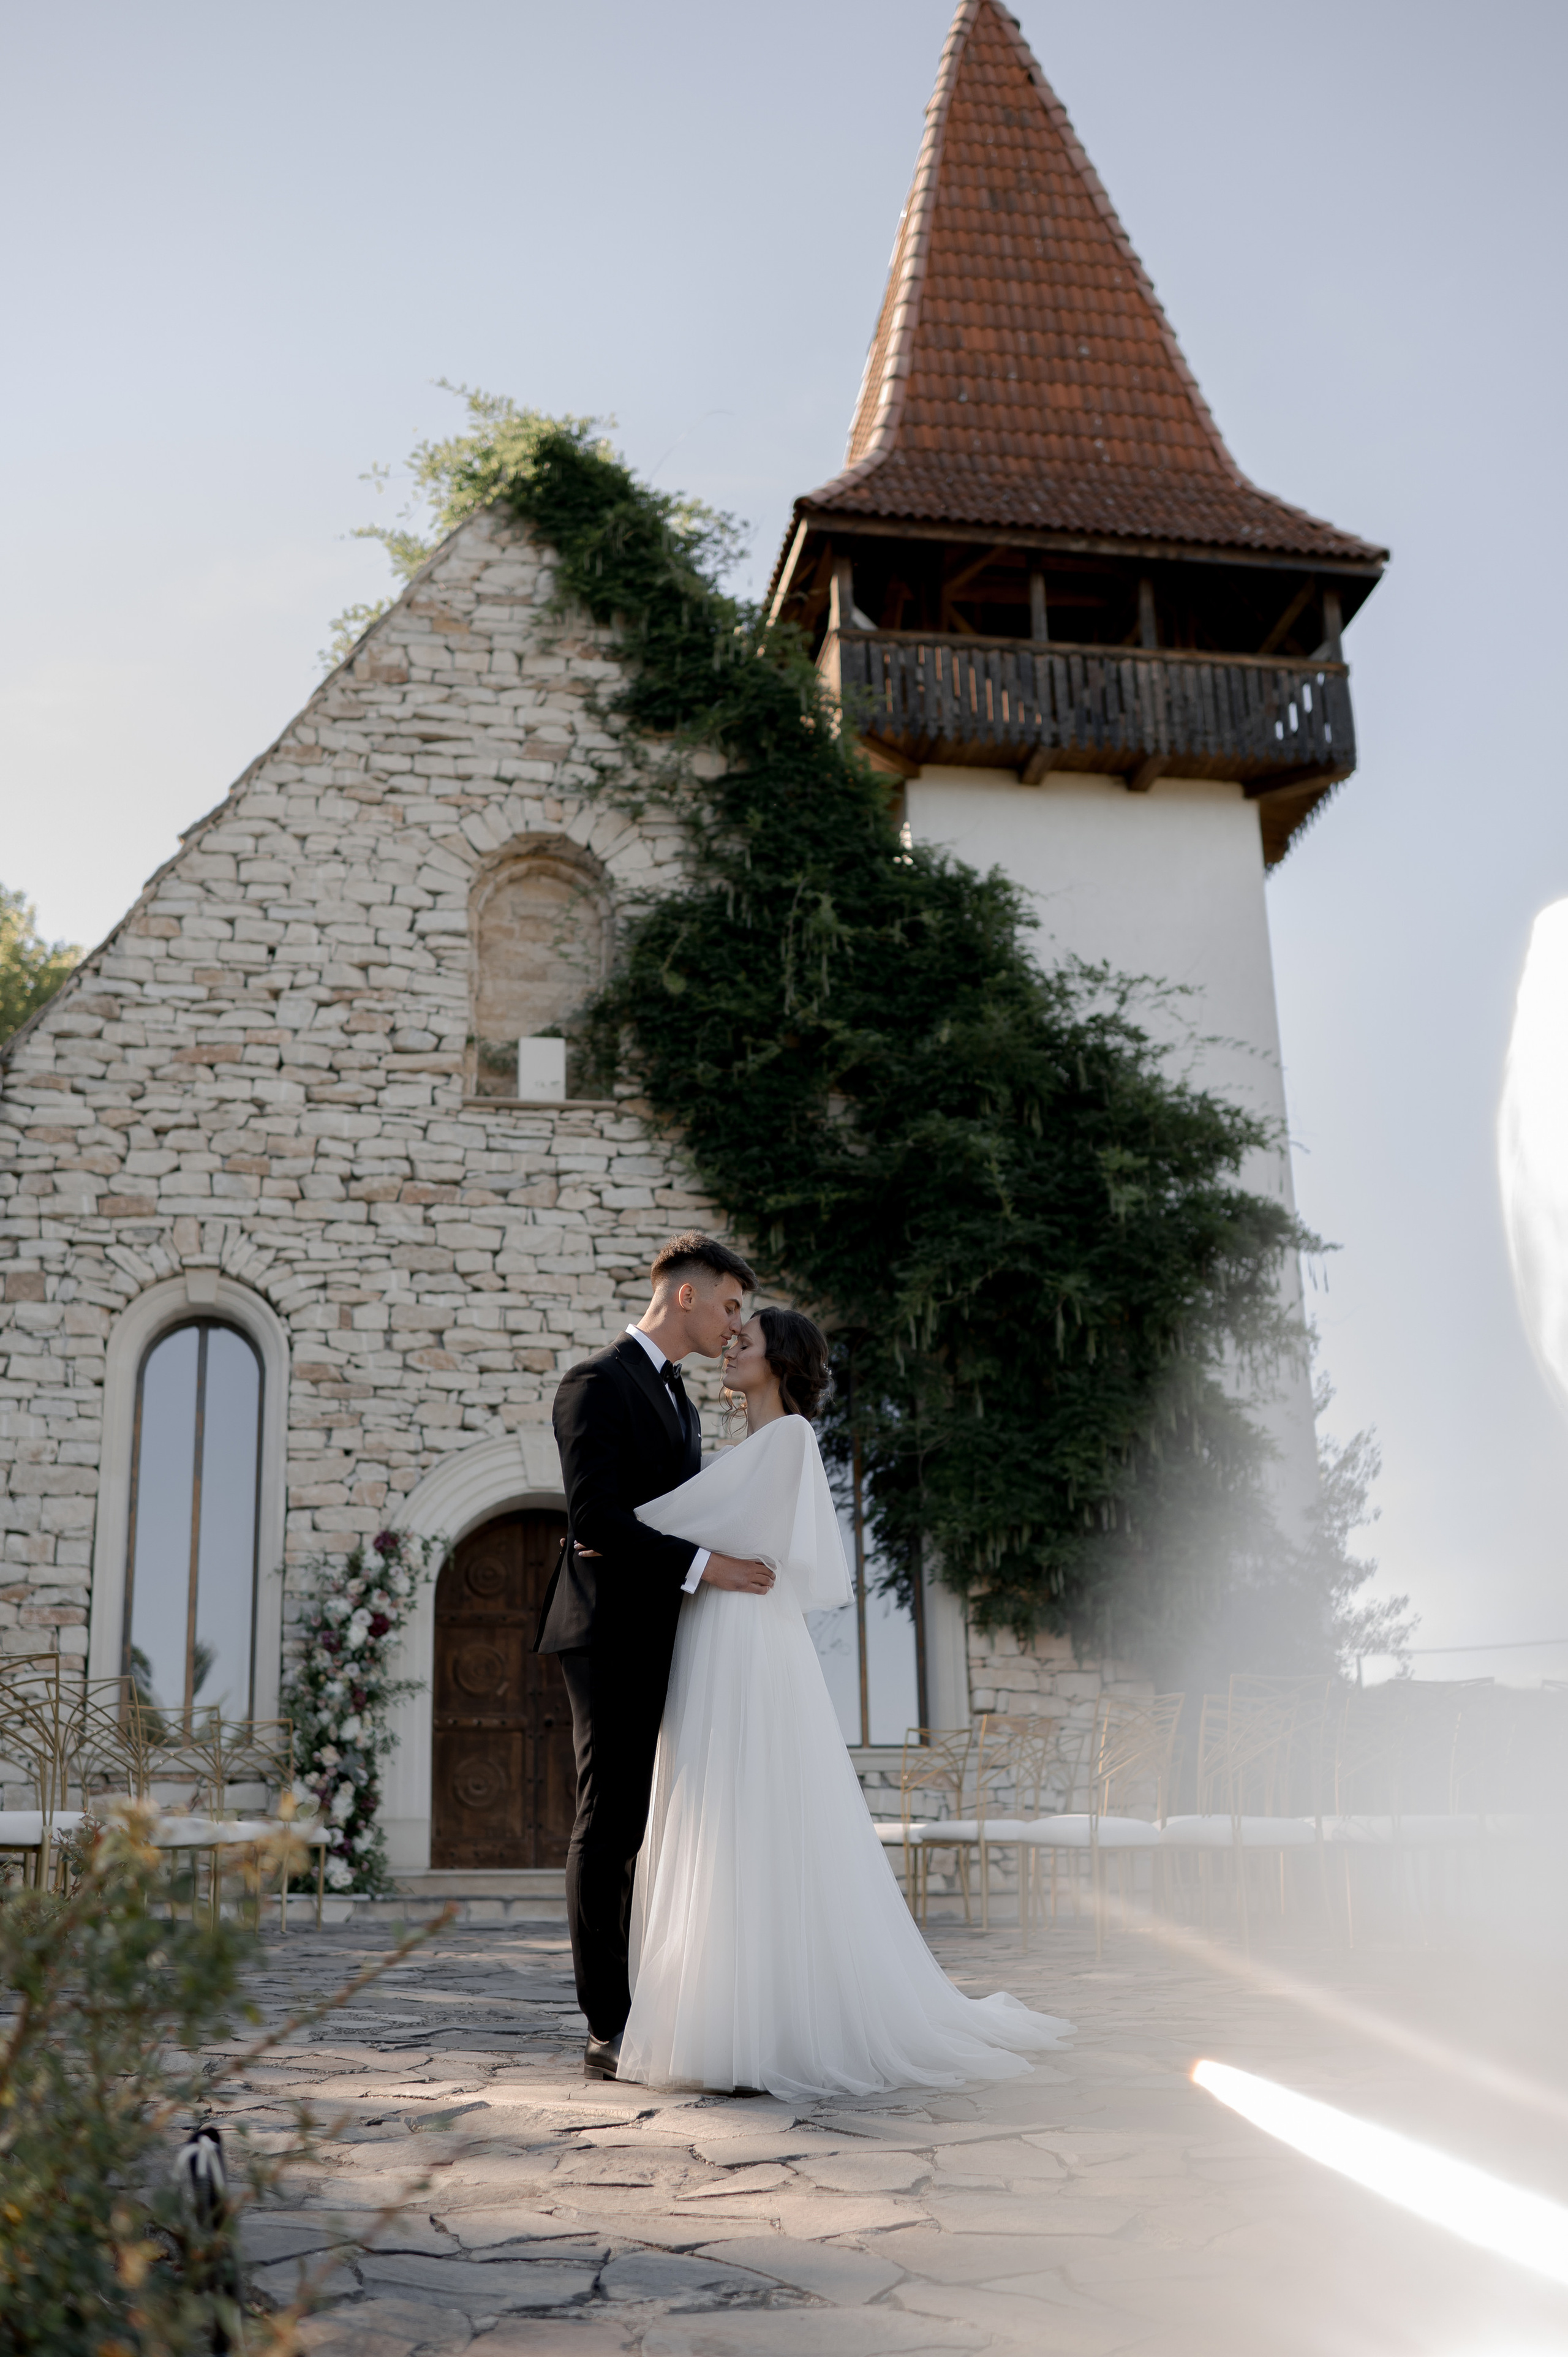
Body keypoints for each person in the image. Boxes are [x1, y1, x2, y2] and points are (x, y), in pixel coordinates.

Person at [619, 1303, 1072, 2098]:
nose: (731, 1346)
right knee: (719, 1808)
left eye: (747, 1340)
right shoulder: (749, 1448)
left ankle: (756, 2026)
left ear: (781, 1361)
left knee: (748, 1807)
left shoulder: (790, 1438)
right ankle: (727, 2012)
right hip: (719, 1627)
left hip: (747, 1637)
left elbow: (667, 1522)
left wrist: (610, 1524)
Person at [535, 1232, 775, 2083]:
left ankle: (660, 2005)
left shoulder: (683, 1402)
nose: (734, 1324)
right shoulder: (595, 1383)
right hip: (605, 1630)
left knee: (649, 1824)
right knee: (610, 1824)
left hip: (665, 1629)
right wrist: (711, 1568)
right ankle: (608, 2025)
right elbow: (595, 1517)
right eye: (730, 1305)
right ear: (686, 1295)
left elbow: (673, 1512)